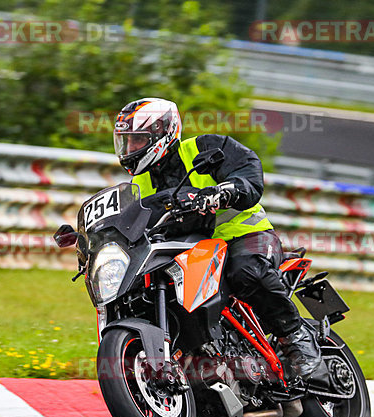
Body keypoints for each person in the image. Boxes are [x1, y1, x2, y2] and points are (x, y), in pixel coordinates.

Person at [113, 97, 329, 386]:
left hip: (243, 236)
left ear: (162, 133)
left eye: (138, 140)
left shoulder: (203, 149)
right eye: (127, 142)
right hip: (193, 252)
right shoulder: (140, 186)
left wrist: (227, 190)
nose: (131, 149)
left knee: (245, 271)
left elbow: (248, 168)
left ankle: (297, 338)